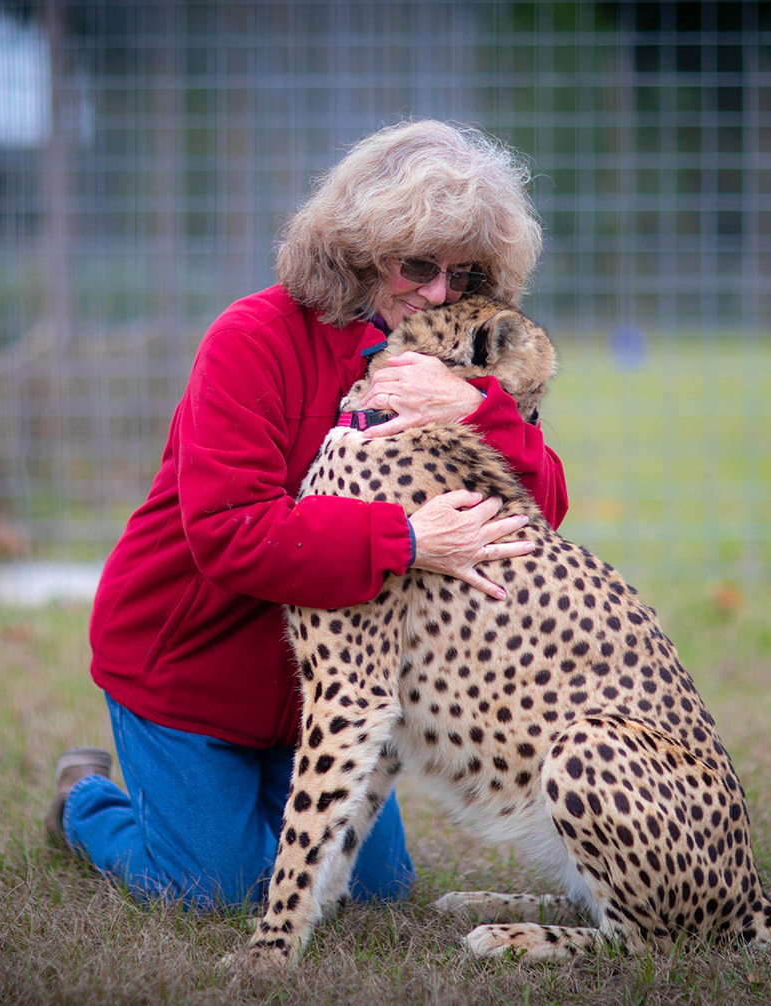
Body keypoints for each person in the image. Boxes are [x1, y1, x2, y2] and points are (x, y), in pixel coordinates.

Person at [44, 119, 569, 908]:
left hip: (330, 690)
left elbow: (542, 512)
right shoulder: (251, 338)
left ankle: (245, 814)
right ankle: (85, 802)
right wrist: (411, 540)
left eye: (462, 275)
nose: (438, 294)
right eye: (417, 266)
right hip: (192, 664)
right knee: (210, 891)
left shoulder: (455, 359)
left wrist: (477, 406)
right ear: (360, 249)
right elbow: (231, 533)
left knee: (379, 896)